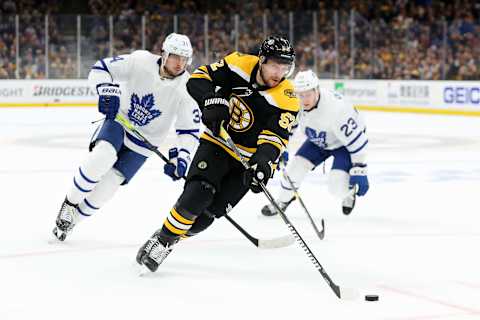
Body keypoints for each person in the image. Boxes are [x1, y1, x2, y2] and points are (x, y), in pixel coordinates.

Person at [136, 36, 300, 272]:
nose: (280, 72)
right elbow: (198, 80)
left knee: (206, 218)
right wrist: (212, 101)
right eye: (275, 65)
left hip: (246, 161)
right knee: (197, 195)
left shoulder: (287, 99)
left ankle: (168, 235)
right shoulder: (238, 64)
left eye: (285, 67)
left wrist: (263, 165)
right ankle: (163, 242)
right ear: (261, 60)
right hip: (217, 143)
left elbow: (275, 138)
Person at [52, 33, 201, 241]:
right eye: (176, 57)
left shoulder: (188, 88)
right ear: (164, 54)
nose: (180, 63)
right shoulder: (140, 61)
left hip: (144, 144)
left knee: (110, 185)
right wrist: (106, 91)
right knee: (102, 156)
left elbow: (188, 131)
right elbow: (101, 68)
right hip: (120, 123)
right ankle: (70, 203)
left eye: (185, 59)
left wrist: (182, 158)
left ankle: (72, 221)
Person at [261, 70, 369, 217]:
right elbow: (288, 128)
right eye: (301, 94)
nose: (304, 100)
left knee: (336, 187)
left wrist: (359, 169)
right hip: (318, 140)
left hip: (342, 145)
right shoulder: (295, 103)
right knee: (294, 169)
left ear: (316, 90)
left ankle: (348, 194)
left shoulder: (337, 109)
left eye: (308, 94)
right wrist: (280, 148)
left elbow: (358, 141)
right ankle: (283, 200)